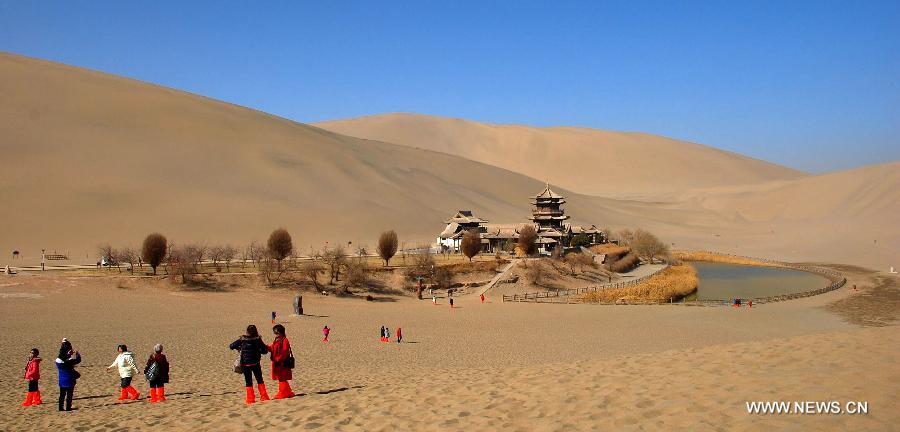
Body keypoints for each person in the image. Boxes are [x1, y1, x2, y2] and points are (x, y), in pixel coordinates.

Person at [229, 325, 270, 404]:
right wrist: (258, 350)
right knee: (260, 380)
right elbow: (265, 350)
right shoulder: (258, 339)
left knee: (248, 381)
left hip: (246, 364)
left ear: (247, 331)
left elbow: (231, 346)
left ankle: (250, 399)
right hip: (255, 363)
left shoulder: (242, 339)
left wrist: (239, 348)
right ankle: (264, 396)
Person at [268, 324, 295, 399]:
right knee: (281, 378)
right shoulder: (277, 339)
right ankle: (287, 392)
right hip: (277, 362)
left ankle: (283, 393)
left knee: (282, 378)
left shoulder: (285, 340)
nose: (275, 334)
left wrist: (278, 359)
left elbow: (285, 351)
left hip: (282, 363)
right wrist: (265, 347)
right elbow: (272, 347)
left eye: (276, 332)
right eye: (275, 332)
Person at [55, 339, 81, 411]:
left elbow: (63, 356)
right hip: (69, 380)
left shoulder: (58, 361)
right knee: (69, 395)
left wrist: (69, 354)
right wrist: (77, 354)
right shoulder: (69, 362)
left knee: (62, 395)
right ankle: (68, 407)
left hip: (62, 380)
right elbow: (78, 360)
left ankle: (60, 407)